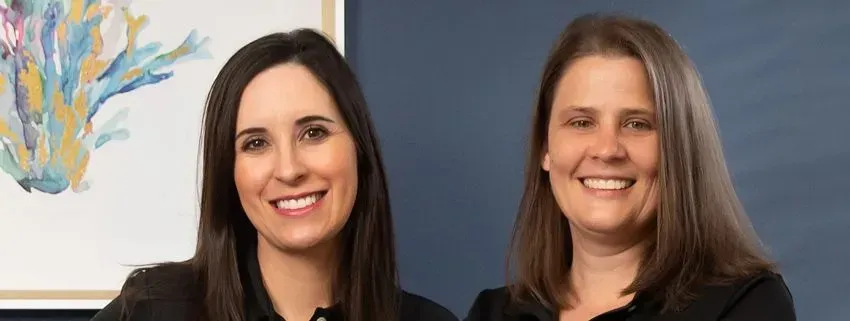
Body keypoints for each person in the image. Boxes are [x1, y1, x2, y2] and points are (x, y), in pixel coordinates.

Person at [92, 29, 458, 321]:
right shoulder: (153, 311)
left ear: (359, 150)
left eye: (314, 132)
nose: (289, 169)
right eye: (255, 143)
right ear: (228, 173)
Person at [464, 13, 795, 321]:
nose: (607, 149)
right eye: (581, 122)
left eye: (637, 124)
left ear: (679, 150)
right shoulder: (494, 314)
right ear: (545, 148)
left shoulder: (746, 304)